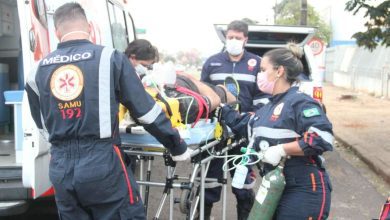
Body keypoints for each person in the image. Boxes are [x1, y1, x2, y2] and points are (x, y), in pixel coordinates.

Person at [24, 3, 191, 220]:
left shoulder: (36, 71)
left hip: (61, 166)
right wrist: (176, 145)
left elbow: (42, 124)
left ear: (57, 32)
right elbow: (146, 111)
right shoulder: (109, 58)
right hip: (102, 163)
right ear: (90, 28)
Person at [217, 43, 333, 219]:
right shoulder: (268, 107)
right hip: (274, 186)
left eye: (263, 70)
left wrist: (281, 149)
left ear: (279, 71)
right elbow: (246, 125)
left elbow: (321, 138)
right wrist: (221, 109)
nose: (259, 75)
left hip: (304, 188)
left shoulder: (300, 102)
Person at [200, 20, 267, 219]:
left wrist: (253, 116)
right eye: (230, 37)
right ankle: (202, 214)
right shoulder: (212, 62)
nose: (234, 41)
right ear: (225, 37)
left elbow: (264, 97)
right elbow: (202, 95)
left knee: (243, 187)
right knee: (208, 184)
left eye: (238, 38)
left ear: (245, 39)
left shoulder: (257, 63)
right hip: (214, 133)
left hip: (243, 134)